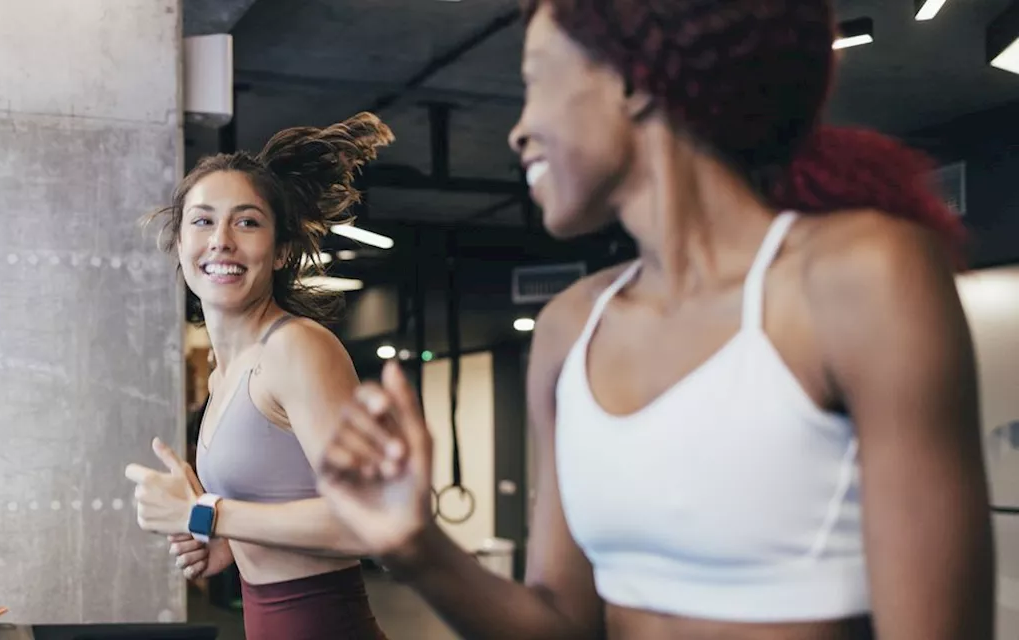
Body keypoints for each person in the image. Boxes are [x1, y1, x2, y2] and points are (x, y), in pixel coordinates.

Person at [314, 2, 996, 639]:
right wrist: (416, 547)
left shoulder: (856, 277)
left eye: (535, 81)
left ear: (632, 80)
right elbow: (560, 622)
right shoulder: (569, 329)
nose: (518, 129)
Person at [123, 113, 394, 640]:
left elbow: (371, 519)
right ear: (179, 244)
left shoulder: (296, 348)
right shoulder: (224, 375)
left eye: (246, 222)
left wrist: (207, 515)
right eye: (202, 221)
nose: (221, 239)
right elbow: (271, 513)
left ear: (282, 250)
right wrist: (225, 544)